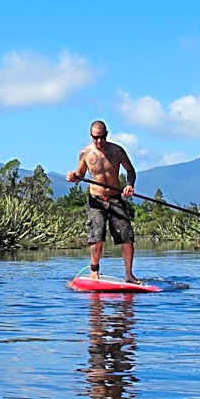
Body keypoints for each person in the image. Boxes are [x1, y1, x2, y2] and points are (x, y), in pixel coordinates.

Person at [66, 120, 139, 283]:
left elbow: (130, 170)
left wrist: (129, 185)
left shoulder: (117, 151)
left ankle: (129, 274)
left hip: (115, 199)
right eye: (95, 138)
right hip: (96, 201)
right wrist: (73, 177)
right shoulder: (85, 153)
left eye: (102, 137)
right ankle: (94, 271)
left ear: (107, 134)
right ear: (91, 136)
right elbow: (80, 175)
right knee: (96, 238)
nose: (99, 141)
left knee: (126, 237)